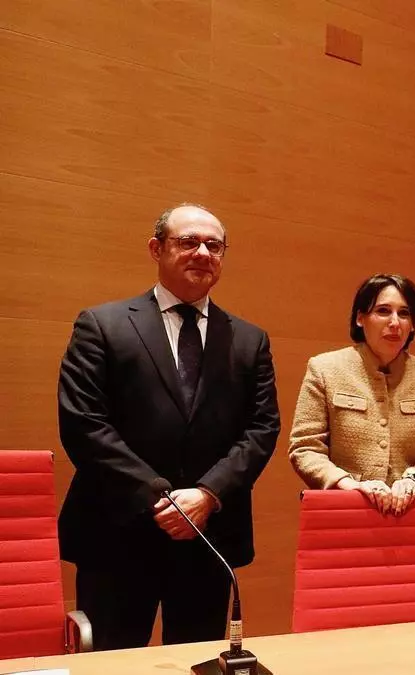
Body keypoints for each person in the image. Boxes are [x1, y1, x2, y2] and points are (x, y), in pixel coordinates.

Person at [57, 203, 281, 650]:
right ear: (156, 249)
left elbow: (262, 428)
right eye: (188, 242)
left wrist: (208, 494)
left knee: (197, 661)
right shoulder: (102, 325)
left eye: (214, 245)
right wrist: (157, 495)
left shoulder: (249, 339)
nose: (203, 253)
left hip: (208, 535)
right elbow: (83, 423)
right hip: (118, 533)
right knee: (113, 665)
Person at [289, 274, 415, 515]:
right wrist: (349, 485)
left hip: (407, 514)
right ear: (360, 318)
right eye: (383, 311)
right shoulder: (325, 369)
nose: (395, 322)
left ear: (412, 325)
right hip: (342, 512)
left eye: (404, 313)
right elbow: (305, 448)